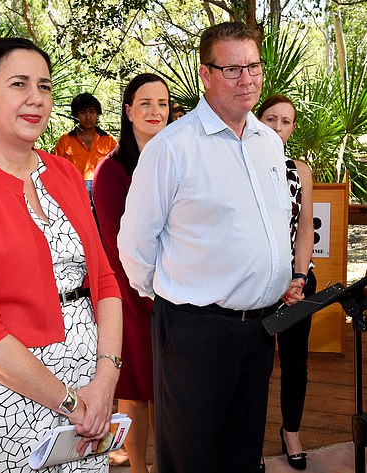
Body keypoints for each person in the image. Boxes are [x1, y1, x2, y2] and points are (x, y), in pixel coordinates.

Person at [0, 38, 123, 472]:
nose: (36, 98)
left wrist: (105, 381)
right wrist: (71, 403)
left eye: (45, 86)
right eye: (18, 84)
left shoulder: (65, 173)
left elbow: (105, 282)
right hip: (10, 390)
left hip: (90, 382)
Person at [118, 22, 292, 473]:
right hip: (194, 332)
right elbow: (135, 245)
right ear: (204, 74)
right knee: (190, 457)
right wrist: (177, 302)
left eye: (252, 66)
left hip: (260, 330)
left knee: (242, 452)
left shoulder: (269, 142)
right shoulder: (172, 148)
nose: (247, 78)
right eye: (232, 68)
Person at [93, 73, 171, 473]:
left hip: (176, 297)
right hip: (131, 297)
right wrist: (148, 293)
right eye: (145, 103)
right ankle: (138, 467)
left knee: (166, 391)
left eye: (162, 103)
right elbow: (114, 245)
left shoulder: (176, 158)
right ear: (128, 110)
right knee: (137, 392)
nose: (155, 111)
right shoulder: (111, 171)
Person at [257, 94, 316, 470]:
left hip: (296, 284)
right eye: (271, 119)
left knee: (295, 363)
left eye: (286, 121)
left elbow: (305, 228)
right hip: (256, 286)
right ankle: (251, 443)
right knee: (256, 367)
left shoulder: (302, 170)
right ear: (258, 120)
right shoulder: (244, 165)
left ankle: (291, 432)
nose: (278, 127)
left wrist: (298, 276)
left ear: (293, 128)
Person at [53, 92, 117, 198]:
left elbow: (116, 171)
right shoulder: (65, 141)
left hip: (103, 191)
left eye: (92, 112)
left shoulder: (109, 141)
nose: (88, 117)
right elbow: (57, 172)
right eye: (82, 112)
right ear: (75, 115)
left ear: (97, 113)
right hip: (73, 193)